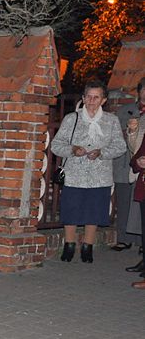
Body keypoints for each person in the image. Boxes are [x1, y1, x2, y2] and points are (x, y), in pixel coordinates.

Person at [50, 80, 126, 263]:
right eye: (89, 97)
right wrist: (72, 149)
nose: (92, 101)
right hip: (74, 174)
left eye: (96, 97)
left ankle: (87, 246)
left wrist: (102, 152)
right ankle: (69, 245)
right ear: (83, 98)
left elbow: (120, 146)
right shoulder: (72, 118)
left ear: (103, 100)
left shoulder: (111, 120)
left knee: (94, 211)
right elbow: (56, 145)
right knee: (71, 210)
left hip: (100, 175)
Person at [116, 77, 145, 260]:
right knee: (124, 201)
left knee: (139, 204)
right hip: (125, 161)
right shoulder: (125, 111)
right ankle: (123, 238)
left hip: (142, 164)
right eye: (144, 89)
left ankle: (141, 243)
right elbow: (115, 134)